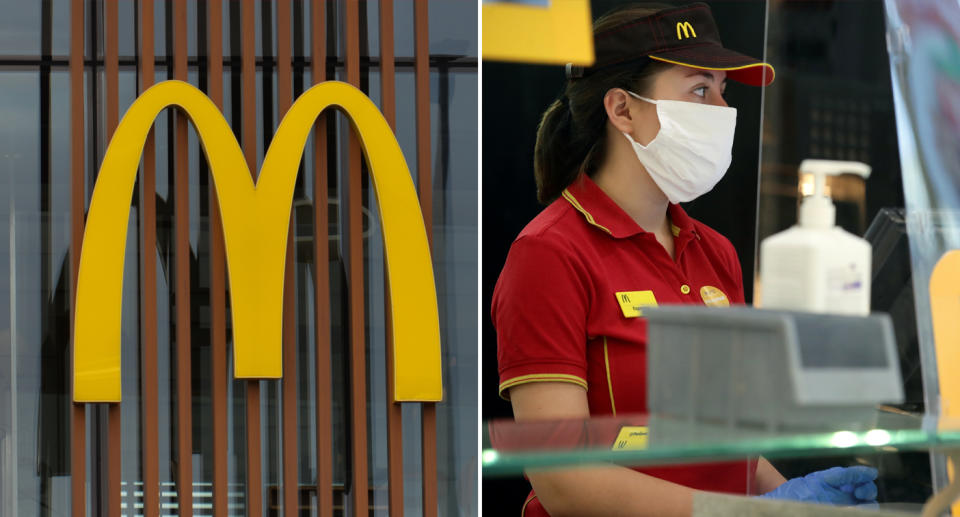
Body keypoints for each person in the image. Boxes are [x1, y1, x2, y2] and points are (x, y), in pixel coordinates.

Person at [491, 3, 879, 516]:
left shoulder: (714, 253)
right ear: (622, 109)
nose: (721, 109)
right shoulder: (550, 254)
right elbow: (564, 480)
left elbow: (727, 445)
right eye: (699, 90)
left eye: (723, 90)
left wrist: (797, 503)